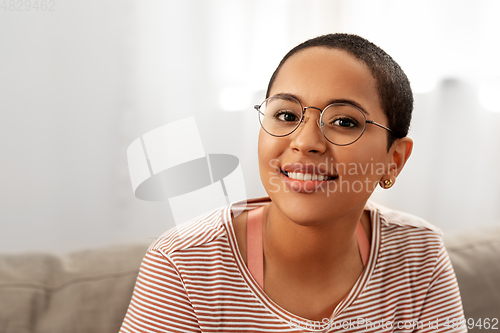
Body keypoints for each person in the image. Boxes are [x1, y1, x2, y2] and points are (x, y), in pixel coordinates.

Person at [119, 34, 466, 332]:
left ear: (394, 160)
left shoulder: (418, 253)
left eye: (344, 121)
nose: (305, 141)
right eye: (286, 115)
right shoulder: (183, 266)